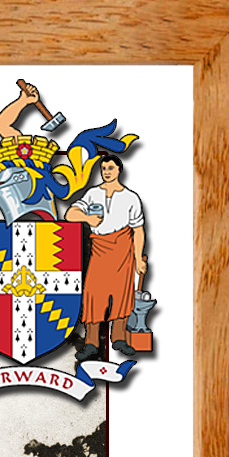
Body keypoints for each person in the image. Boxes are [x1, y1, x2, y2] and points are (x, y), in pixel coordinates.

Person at [67, 154, 146, 363]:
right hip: (100, 250)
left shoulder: (131, 198)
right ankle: (92, 343)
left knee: (122, 296)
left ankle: (119, 339)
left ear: (119, 170)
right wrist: (86, 217)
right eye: (103, 168)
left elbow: (138, 230)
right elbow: (70, 214)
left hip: (123, 251)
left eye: (110, 168)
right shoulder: (93, 194)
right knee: (94, 297)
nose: (107, 171)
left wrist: (139, 258)